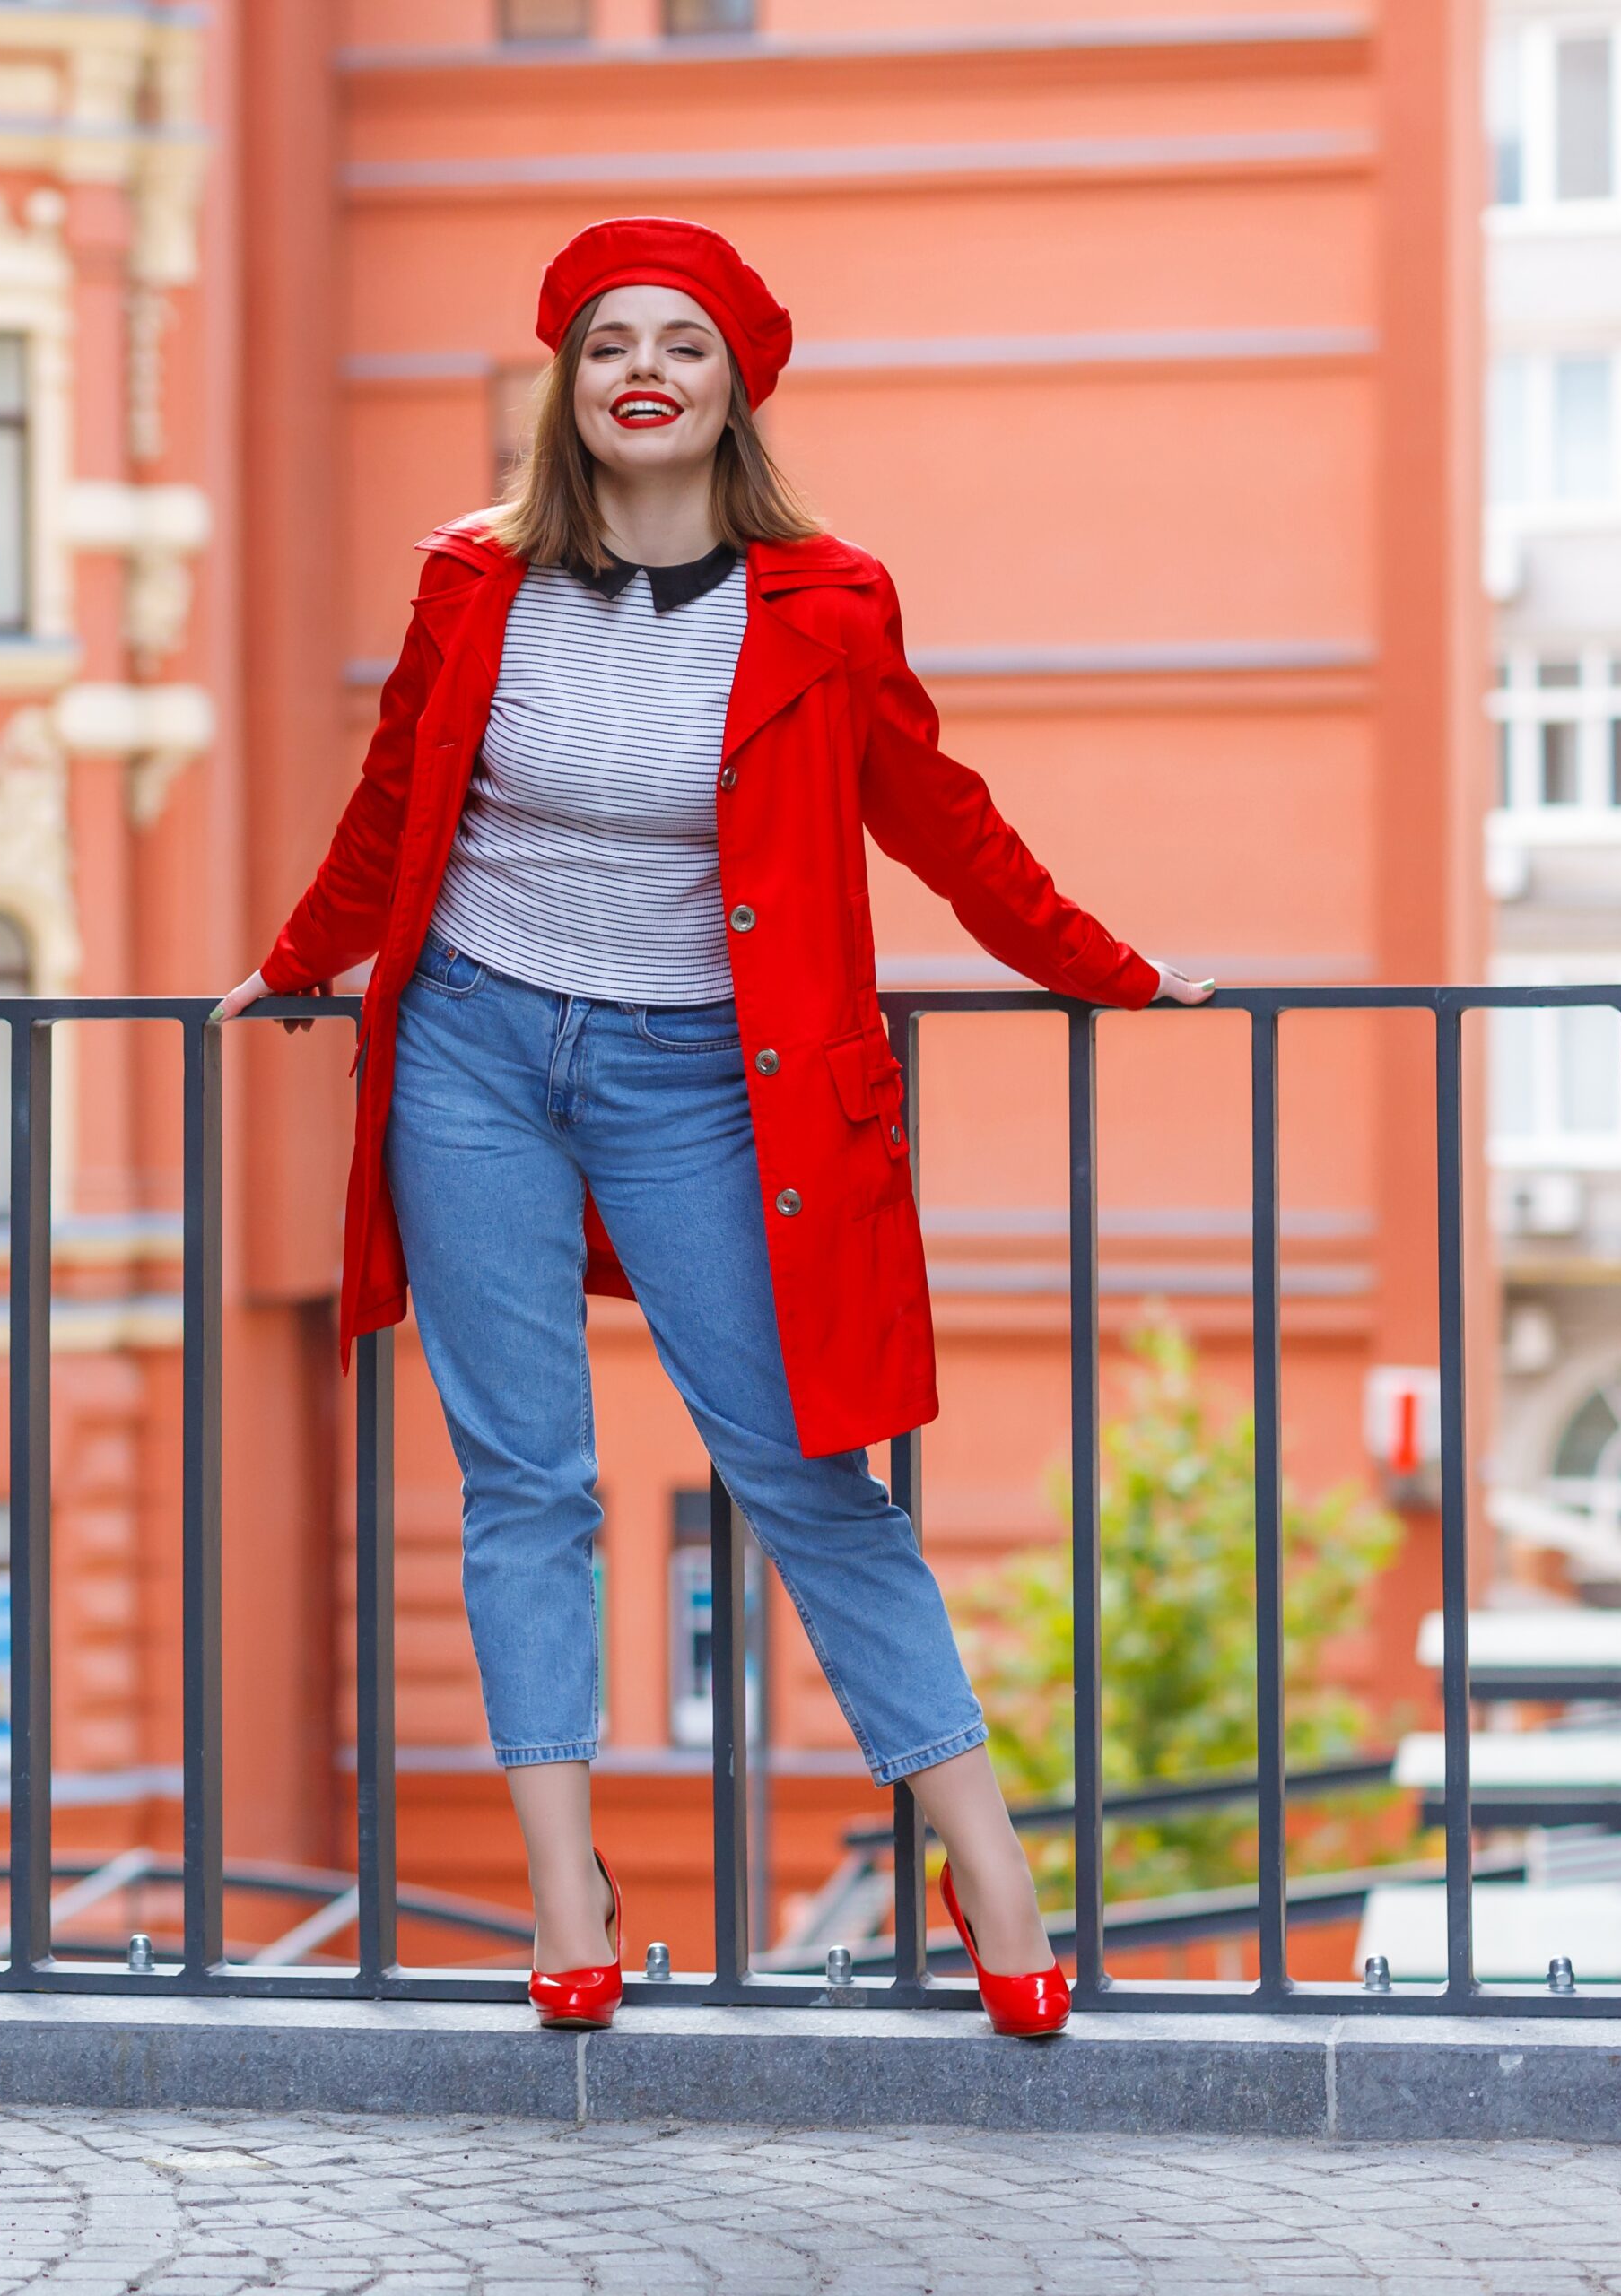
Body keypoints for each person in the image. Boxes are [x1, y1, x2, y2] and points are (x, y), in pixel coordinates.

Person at [217, 217, 1212, 2039]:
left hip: (703, 1079)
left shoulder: (824, 604)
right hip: (470, 1054)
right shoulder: (470, 583)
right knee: (529, 1480)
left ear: (734, 382)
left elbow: (941, 814)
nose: (641, 368)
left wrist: (1107, 966)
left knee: (808, 1473)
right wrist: (300, 957)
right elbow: (392, 803)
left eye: (679, 339)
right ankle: (562, 1889)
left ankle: (987, 1860)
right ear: (566, 389)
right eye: (606, 344)